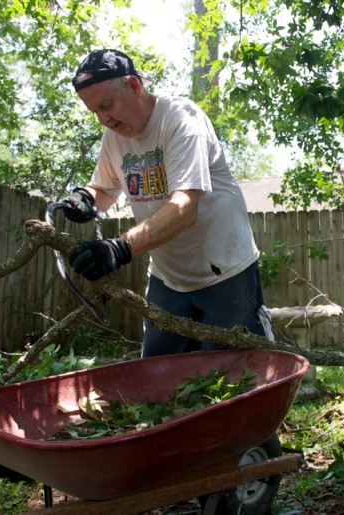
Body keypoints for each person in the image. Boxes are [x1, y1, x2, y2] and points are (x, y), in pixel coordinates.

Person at [62, 49, 268, 357]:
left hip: (225, 271)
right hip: (167, 279)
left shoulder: (182, 118)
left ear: (134, 86)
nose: (104, 119)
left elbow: (184, 207)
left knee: (239, 375)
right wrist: (84, 199)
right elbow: (104, 188)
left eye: (107, 105)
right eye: (95, 112)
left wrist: (117, 248)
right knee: (159, 377)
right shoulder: (114, 136)